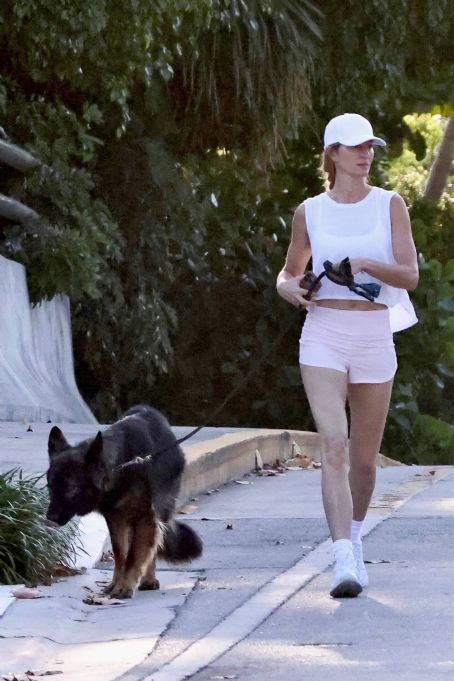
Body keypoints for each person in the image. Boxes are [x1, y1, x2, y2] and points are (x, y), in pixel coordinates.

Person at [276, 113, 419, 598]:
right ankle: (341, 559)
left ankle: (355, 540)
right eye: (355, 147)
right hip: (324, 334)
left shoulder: (389, 205)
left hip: (374, 332)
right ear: (332, 153)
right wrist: (289, 289)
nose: (366, 154)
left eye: (371, 146)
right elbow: (288, 272)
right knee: (333, 444)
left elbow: (410, 276)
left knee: (363, 458)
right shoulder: (309, 211)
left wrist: (364, 264)